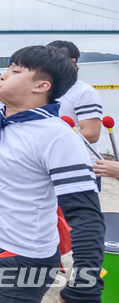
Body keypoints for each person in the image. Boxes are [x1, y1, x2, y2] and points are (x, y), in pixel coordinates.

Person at [0, 0, 104, 303]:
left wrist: (86, 286)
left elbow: (85, 215)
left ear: (42, 86)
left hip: (22, 260)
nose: (2, 74)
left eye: (16, 70)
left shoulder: (56, 136)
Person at [47, 40, 103, 191]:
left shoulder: (84, 92)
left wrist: (46, 141)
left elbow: (91, 134)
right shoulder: (48, 90)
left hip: (81, 168)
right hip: (53, 165)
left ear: (72, 63)